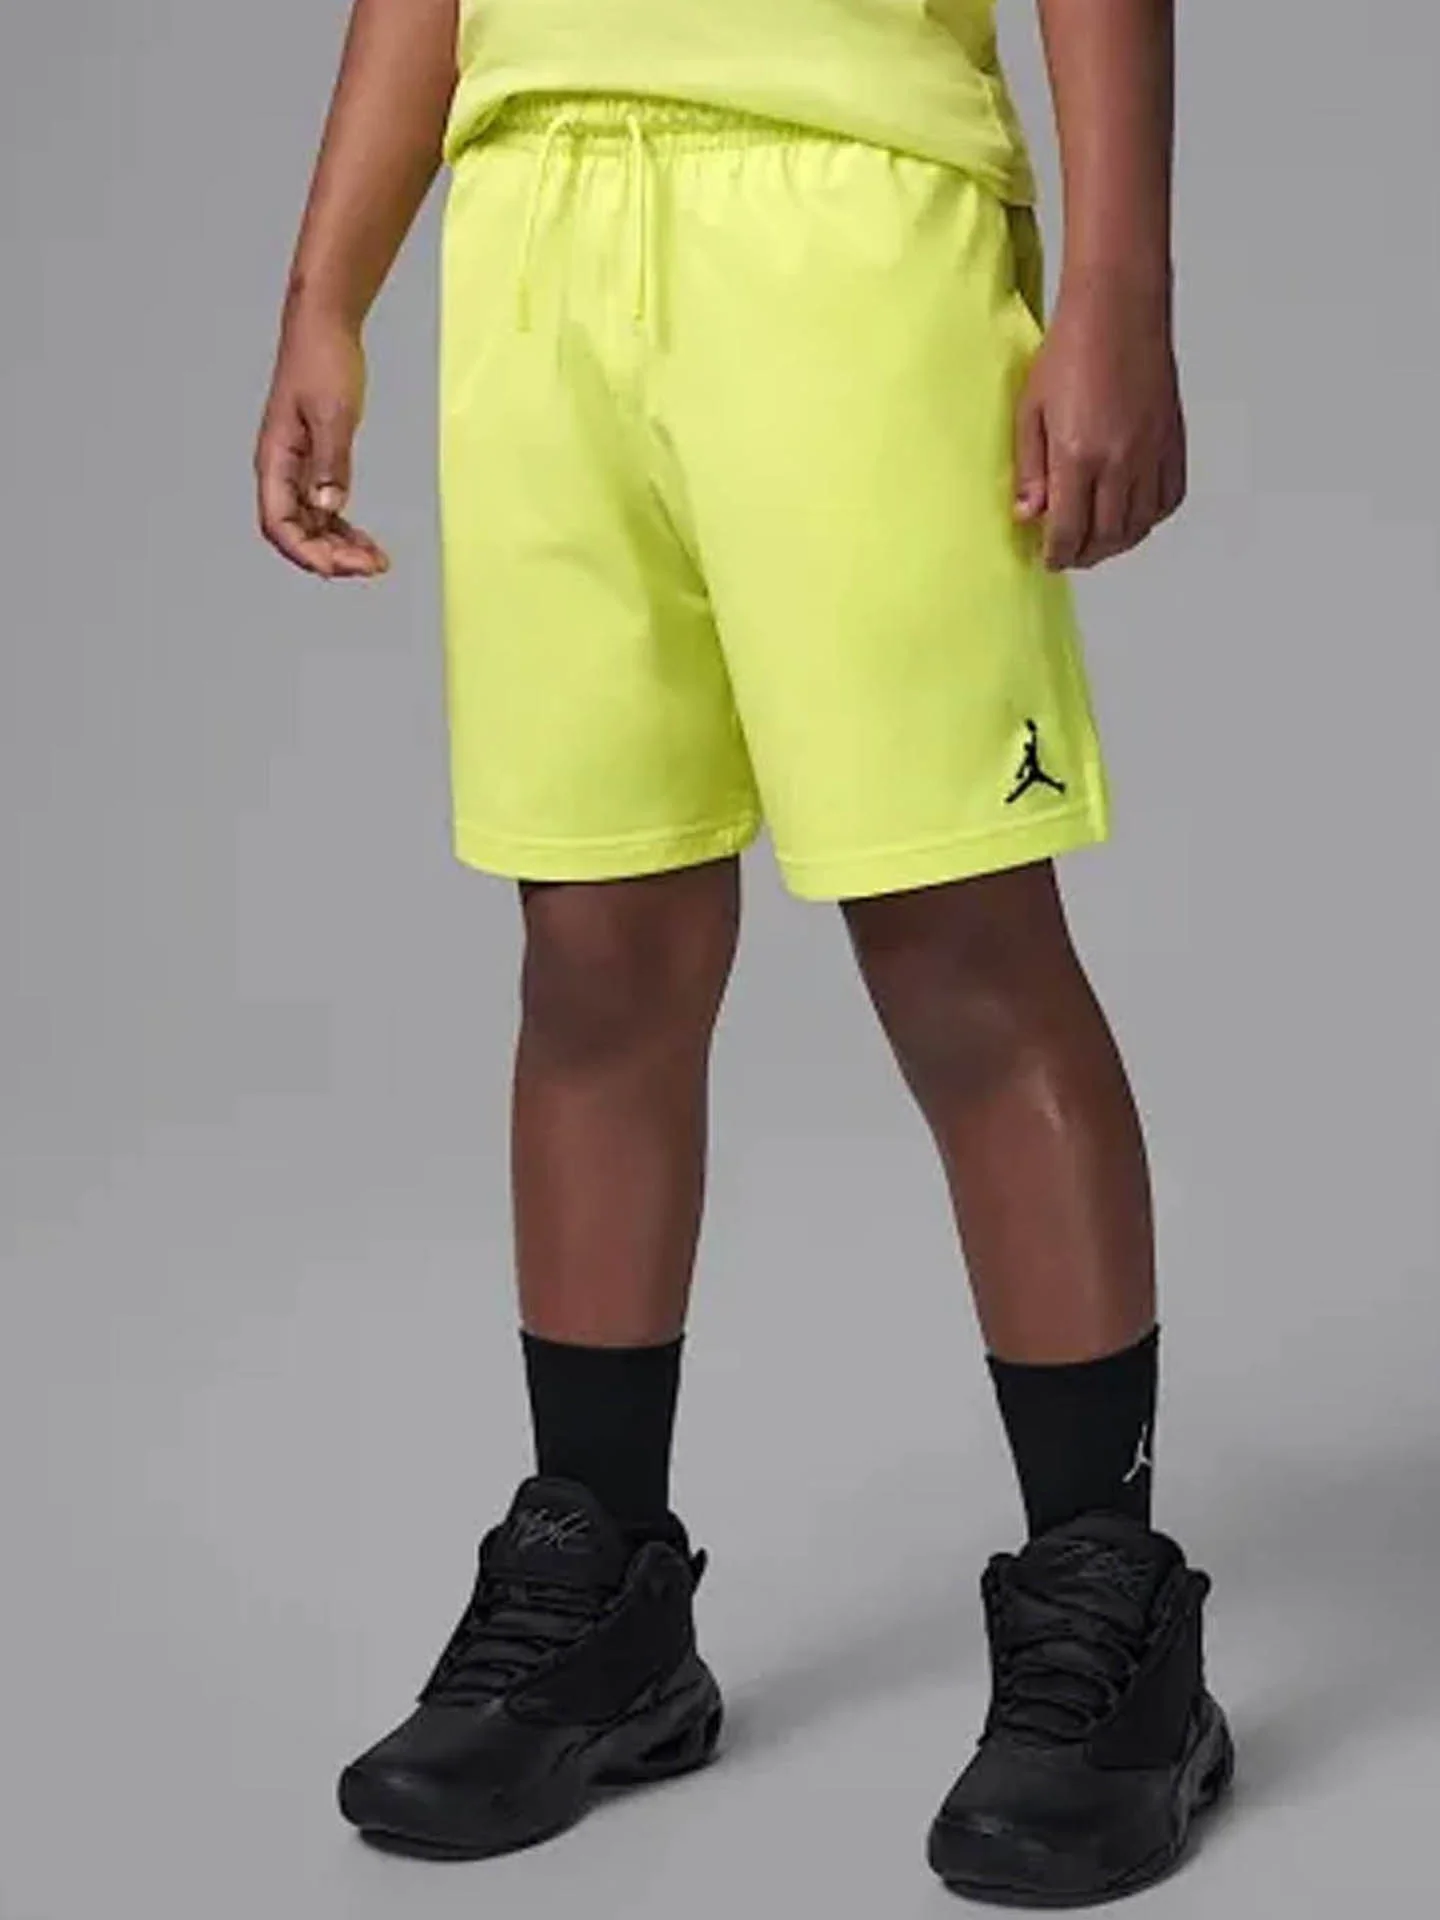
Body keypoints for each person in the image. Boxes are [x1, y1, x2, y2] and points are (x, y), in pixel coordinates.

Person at [255, 0, 1233, 1903]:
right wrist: (326, 290)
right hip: (534, 228)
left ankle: (1107, 1612)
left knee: (959, 937)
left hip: (848, 215)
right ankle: (601, 1588)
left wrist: (1119, 284)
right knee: (594, 943)